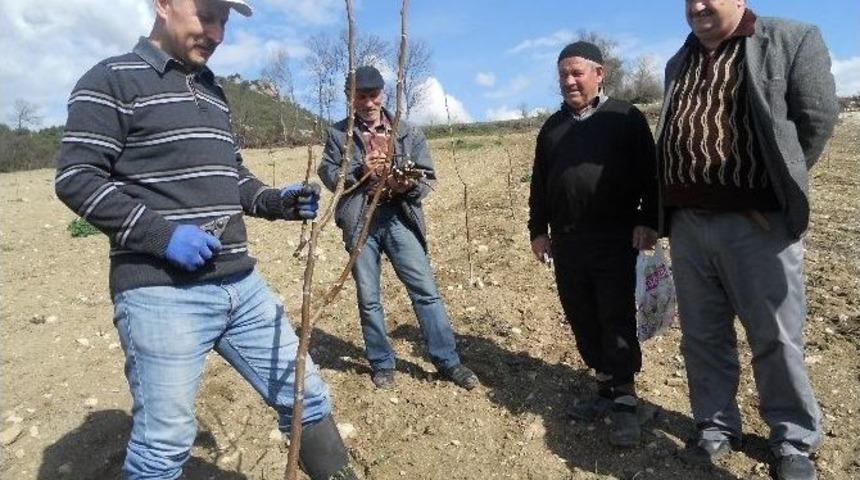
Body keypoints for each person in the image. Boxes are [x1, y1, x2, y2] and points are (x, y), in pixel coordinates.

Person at [54, 1, 358, 479]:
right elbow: (77, 177)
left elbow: (231, 176)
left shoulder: (213, 92)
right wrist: (161, 235)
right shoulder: (110, 79)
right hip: (160, 293)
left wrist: (277, 201)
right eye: (205, 16)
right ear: (163, 4)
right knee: (165, 443)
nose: (216, 32)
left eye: (224, 21)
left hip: (242, 288)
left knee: (307, 397)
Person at [656, 2, 838, 478]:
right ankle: (716, 427)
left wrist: (772, 188)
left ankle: (793, 440)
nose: (697, 6)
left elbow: (816, 120)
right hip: (689, 225)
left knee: (776, 336)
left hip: (757, 225)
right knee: (702, 335)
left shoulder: (790, 39)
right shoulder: (681, 59)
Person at [528, 41, 659, 448]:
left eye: (576, 72)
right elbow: (540, 185)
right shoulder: (551, 128)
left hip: (614, 238)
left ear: (599, 73)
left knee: (614, 316)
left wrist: (648, 221)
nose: (568, 81)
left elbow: (652, 176)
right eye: (563, 74)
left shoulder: (626, 118)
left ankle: (624, 399)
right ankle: (604, 388)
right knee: (581, 315)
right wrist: (538, 229)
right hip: (567, 243)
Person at [317, 65, 479, 391]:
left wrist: (405, 185)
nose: (367, 102)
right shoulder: (339, 135)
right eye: (360, 97)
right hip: (361, 220)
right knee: (369, 298)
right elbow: (328, 174)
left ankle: (448, 360)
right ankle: (382, 363)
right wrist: (358, 171)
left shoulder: (408, 132)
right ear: (350, 99)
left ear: (384, 94)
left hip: (398, 216)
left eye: (373, 95)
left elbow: (427, 178)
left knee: (425, 291)